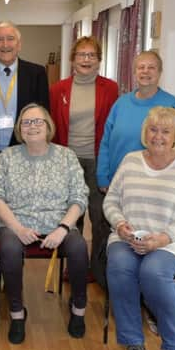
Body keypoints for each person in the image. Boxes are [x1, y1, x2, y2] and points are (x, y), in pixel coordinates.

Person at [103, 107, 175, 350]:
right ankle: (134, 345)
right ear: (144, 133)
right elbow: (111, 200)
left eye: (165, 131)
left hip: (173, 240)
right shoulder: (130, 161)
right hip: (130, 236)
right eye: (153, 129)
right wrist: (120, 224)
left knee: (153, 271)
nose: (158, 136)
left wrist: (162, 239)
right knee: (119, 266)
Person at [0, 104, 89, 343]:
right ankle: (17, 313)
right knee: (10, 250)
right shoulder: (7, 157)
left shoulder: (66, 156)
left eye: (37, 121)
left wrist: (63, 228)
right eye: (26, 122)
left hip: (58, 223)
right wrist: (17, 228)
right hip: (15, 223)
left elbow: (79, 197)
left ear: (48, 126)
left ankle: (78, 310)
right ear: (19, 129)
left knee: (78, 247)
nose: (32, 127)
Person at [0, 20, 50, 292]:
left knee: (17, 215)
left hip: (22, 157)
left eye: (9, 39)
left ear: (19, 43)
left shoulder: (36, 73)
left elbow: (43, 118)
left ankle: (13, 268)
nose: (5, 45)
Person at [49, 36, 118, 283]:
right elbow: (52, 126)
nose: (86, 59)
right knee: (71, 217)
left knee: (100, 217)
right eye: (81, 54)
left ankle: (98, 270)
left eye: (91, 55)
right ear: (73, 59)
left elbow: (113, 128)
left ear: (99, 60)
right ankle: (74, 266)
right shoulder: (58, 89)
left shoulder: (110, 88)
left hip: (99, 161)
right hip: (68, 161)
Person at [96, 50, 175, 191]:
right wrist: (102, 176)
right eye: (141, 67)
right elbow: (106, 142)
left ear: (160, 72)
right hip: (117, 180)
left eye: (151, 67)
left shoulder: (171, 104)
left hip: (155, 183)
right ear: (135, 73)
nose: (145, 71)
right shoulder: (121, 103)